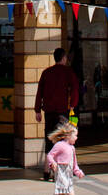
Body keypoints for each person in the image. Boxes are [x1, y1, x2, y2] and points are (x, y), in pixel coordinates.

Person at [34, 49, 80, 180]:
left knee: (49, 139)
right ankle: (56, 173)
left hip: (49, 112)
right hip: (62, 112)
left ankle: (46, 170)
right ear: (64, 58)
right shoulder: (68, 72)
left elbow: (39, 92)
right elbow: (75, 89)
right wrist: (73, 105)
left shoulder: (46, 73)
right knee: (61, 141)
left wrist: (38, 110)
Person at [45, 120, 84, 195]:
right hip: (61, 172)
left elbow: (74, 163)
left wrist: (78, 171)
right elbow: (50, 155)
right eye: (75, 135)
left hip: (68, 173)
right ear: (68, 136)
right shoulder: (60, 145)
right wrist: (52, 163)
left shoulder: (72, 148)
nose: (76, 138)